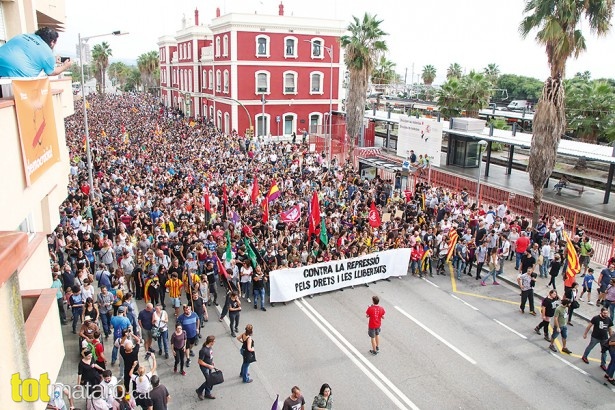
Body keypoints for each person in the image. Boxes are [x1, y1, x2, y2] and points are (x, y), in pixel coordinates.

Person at [0, 27, 71, 77]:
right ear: (52, 42)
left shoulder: (23, 36)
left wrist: (53, 60)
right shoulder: (47, 53)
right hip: (16, 78)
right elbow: (52, 72)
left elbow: (26, 54)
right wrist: (65, 66)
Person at [195, 335, 217, 400]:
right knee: (209, 380)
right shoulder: (203, 350)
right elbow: (200, 361)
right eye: (214, 341)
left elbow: (210, 356)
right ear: (211, 342)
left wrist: (212, 362)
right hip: (205, 368)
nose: (215, 342)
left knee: (210, 380)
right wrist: (208, 365)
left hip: (210, 366)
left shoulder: (210, 347)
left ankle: (207, 393)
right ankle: (199, 390)